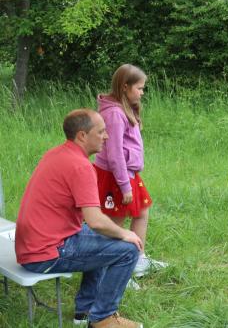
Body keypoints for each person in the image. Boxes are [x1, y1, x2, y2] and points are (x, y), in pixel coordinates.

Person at [15, 109, 144, 328]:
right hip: (44, 254)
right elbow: (94, 220)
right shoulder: (80, 166)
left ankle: (84, 311)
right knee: (128, 249)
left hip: (34, 246)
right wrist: (127, 233)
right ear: (82, 136)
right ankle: (103, 319)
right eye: (101, 131)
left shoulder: (58, 153)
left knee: (105, 240)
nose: (107, 136)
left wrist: (115, 233)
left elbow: (94, 224)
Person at [94, 64, 165, 277]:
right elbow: (114, 154)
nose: (142, 92)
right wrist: (124, 185)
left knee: (142, 211)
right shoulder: (115, 114)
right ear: (125, 87)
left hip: (129, 173)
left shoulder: (124, 108)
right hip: (117, 175)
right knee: (115, 223)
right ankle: (114, 273)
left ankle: (137, 260)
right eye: (140, 88)